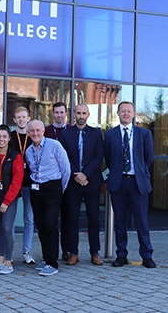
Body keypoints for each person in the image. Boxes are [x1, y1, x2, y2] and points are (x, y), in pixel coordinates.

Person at [104, 101, 156, 268]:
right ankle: (121, 255)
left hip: (137, 183)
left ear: (134, 114)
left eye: (129, 111)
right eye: (123, 111)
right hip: (119, 183)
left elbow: (148, 159)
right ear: (118, 114)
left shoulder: (144, 134)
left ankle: (147, 255)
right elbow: (109, 158)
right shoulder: (110, 135)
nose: (126, 114)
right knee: (120, 222)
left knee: (142, 221)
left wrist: (139, 173)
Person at [60, 104, 105, 266]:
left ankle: (95, 252)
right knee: (72, 218)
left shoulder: (96, 133)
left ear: (88, 114)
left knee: (93, 218)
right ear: (73, 114)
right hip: (73, 182)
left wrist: (85, 174)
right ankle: (73, 252)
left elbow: (99, 156)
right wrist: (77, 175)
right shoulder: (66, 134)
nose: (81, 115)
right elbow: (64, 158)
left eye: (83, 113)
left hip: (91, 181)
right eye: (78, 112)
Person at [26, 120, 71, 276]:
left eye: (38, 130)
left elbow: (66, 169)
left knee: (50, 224)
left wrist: (60, 189)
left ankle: (53, 263)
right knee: (41, 225)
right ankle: (46, 259)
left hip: (53, 189)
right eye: (32, 131)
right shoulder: (29, 151)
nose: (35, 133)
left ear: (43, 131)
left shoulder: (55, 146)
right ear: (28, 133)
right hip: (36, 190)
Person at [0, 125, 24, 275]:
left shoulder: (15, 156)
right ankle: (0, 260)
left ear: (9, 138)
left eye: (4, 137)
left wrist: (7, 202)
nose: (1, 139)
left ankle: (9, 261)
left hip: (10, 198)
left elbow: (17, 181)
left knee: (7, 228)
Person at [44, 101, 71, 261]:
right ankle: (49, 252)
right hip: (50, 182)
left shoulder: (72, 131)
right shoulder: (46, 131)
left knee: (67, 217)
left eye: (62, 112)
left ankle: (67, 249)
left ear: (66, 113)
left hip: (67, 180)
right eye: (57, 112)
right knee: (50, 219)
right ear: (52, 114)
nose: (59, 115)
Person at [9, 106, 35, 265]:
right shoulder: (10, 137)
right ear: (14, 119)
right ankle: (9, 252)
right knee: (10, 220)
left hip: (30, 183)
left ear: (28, 118)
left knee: (29, 219)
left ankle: (26, 251)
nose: (21, 120)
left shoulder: (34, 136)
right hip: (13, 183)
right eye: (18, 117)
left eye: (23, 117)